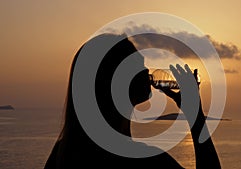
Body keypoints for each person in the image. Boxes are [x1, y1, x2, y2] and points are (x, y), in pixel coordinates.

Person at [44, 33, 221, 169]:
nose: (147, 71)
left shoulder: (62, 153)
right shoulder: (144, 160)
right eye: (138, 65)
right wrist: (195, 115)